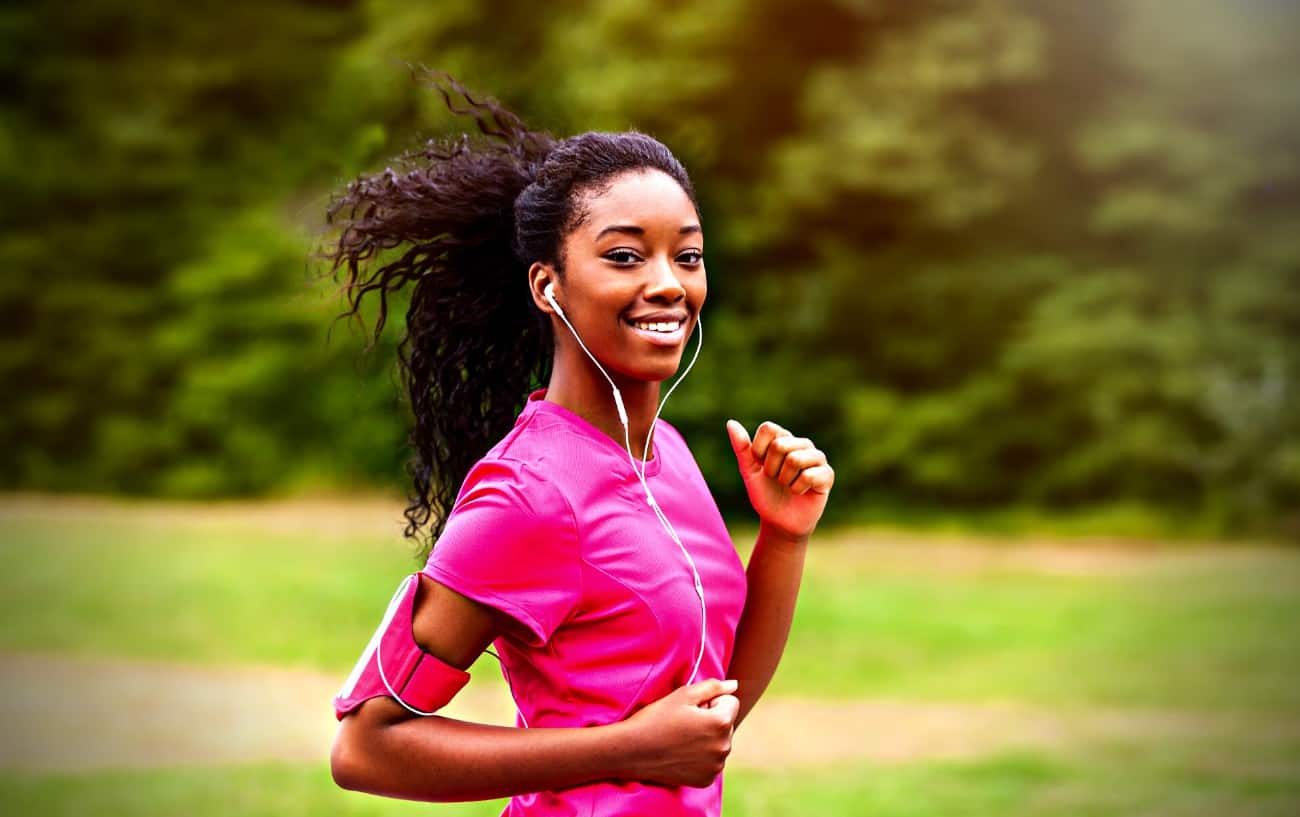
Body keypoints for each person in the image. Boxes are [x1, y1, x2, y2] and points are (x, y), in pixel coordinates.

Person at [319, 71, 834, 817]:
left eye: (686, 256)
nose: (667, 283)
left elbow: (705, 724)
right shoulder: (527, 492)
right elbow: (366, 745)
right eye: (624, 256)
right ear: (547, 285)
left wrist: (784, 536)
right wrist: (624, 747)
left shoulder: (671, 457)